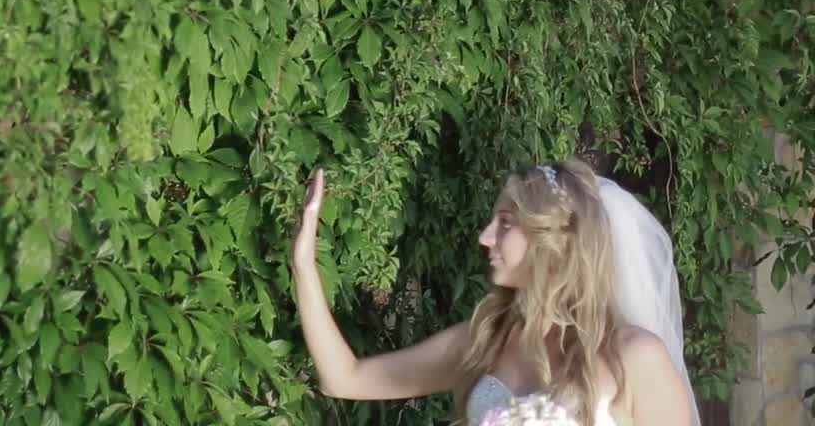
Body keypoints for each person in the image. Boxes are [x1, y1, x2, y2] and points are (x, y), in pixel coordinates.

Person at [290, 159, 699, 426]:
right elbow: (345, 378)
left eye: (505, 222)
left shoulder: (632, 355)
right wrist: (304, 266)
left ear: (552, 238)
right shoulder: (484, 340)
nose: (486, 238)